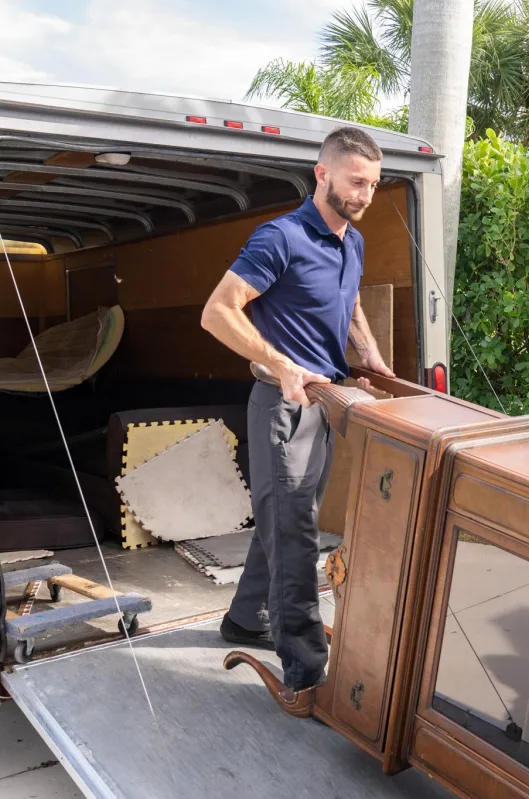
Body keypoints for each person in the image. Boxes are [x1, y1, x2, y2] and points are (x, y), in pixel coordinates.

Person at [200, 126, 395, 692]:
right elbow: (218, 312)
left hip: (326, 404)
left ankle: (244, 617)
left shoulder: (351, 242)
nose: (364, 195)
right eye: (356, 181)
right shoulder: (279, 238)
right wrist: (281, 363)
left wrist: (371, 355)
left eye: (374, 185)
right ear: (323, 174)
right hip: (282, 407)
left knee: (289, 520)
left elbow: (350, 299)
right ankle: (307, 671)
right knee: (296, 536)